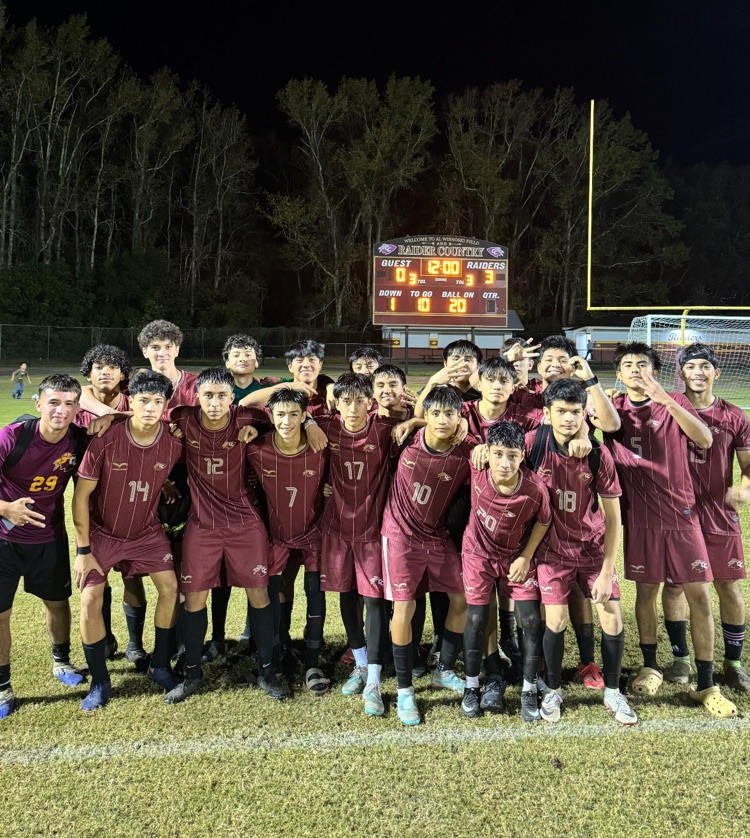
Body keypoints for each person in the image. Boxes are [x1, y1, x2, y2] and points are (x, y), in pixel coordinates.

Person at [604, 341, 736, 718]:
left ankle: (706, 682)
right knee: (645, 593)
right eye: (627, 364)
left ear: (655, 371)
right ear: (619, 372)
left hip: (682, 516)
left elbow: (705, 439)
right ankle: (650, 665)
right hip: (641, 519)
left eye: (642, 364)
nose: (634, 369)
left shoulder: (674, 402)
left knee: (699, 595)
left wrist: (667, 399)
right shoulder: (612, 409)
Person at [163, 367, 286, 704]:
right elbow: (148, 422)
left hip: (245, 524)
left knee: (259, 595)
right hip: (201, 525)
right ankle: (192, 673)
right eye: (208, 396)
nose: (215, 403)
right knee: (194, 599)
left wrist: (309, 423)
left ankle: (266, 670)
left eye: (222, 396)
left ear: (232, 398)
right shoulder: (183, 418)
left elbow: (288, 400)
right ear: (196, 397)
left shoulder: (247, 416)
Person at [71, 371, 183, 710]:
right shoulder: (105, 439)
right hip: (102, 534)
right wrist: (82, 550)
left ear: (166, 406)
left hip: (146, 532)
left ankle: (159, 665)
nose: (150, 408)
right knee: (90, 599)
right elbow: (80, 496)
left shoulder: (174, 443)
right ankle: (101, 682)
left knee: (170, 589)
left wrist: (165, 484)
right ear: (130, 401)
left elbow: (159, 474)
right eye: (143, 401)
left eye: (157, 402)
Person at [529, 379, 637, 725]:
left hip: (591, 549)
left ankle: (613, 692)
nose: (568, 419)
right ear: (546, 414)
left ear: (584, 414)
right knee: (556, 620)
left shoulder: (596, 453)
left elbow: (613, 517)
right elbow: (499, 450)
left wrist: (607, 570)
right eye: (560, 411)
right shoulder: (533, 444)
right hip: (551, 551)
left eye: (575, 412)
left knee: (612, 616)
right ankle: (554, 690)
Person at [381, 384, 475, 725]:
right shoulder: (405, 438)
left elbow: (491, 456)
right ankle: (405, 690)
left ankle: (444, 669)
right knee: (404, 607)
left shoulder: (467, 454)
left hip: (435, 536)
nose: (441, 420)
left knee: (461, 598)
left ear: (459, 418)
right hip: (400, 536)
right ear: (425, 415)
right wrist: (416, 422)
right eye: (434, 413)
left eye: (449, 414)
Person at [659, 343, 750, 693]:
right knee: (676, 585)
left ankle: (733, 662)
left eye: (704, 366)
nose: (697, 371)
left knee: (728, 585)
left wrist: (744, 487)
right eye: (690, 366)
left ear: (716, 373)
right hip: (677, 515)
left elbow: (748, 465)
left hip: (719, 515)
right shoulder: (666, 409)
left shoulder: (734, 416)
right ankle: (681, 659)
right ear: (680, 372)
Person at [316, 373, 405, 716]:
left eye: (359, 401)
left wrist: (411, 417)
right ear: (335, 403)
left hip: (372, 530)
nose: (352, 408)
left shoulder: (384, 431)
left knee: (374, 602)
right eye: (345, 401)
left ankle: (375, 679)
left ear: (371, 402)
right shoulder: (325, 428)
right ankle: (361, 663)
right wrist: (309, 421)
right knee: (347, 595)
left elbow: (428, 422)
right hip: (337, 527)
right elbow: (283, 417)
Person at [0, 374, 85, 719]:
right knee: (1, 615)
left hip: (48, 539)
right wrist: (6, 509)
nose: (60, 410)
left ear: (78, 409)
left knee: (58, 603)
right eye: (53, 402)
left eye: (68, 404)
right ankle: (2, 686)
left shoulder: (79, 442)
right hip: (3, 540)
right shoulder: (12, 436)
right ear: (38, 404)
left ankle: (61, 661)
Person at [461, 420, 551, 720]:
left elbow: (543, 521)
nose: (505, 462)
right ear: (488, 453)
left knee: (531, 620)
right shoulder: (477, 471)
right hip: (478, 555)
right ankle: (472, 686)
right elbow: (450, 430)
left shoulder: (534, 488)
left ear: (522, 455)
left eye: (512, 455)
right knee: (475, 618)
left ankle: (527, 689)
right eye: (498, 454)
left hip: (515, 558)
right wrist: (476, 446)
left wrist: (526, 557)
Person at [246, 388, 330, 695]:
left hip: (313, 532)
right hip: (276, 535)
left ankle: (312, 661)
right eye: (280, 414)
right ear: (270, 415)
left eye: (295, 414)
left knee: (315, 594)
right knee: (274, 594)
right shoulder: (256, 448)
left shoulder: (320, 444)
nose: (287, 420)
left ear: (306, 415)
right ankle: (279, 653)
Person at [75, 344, 145, 666]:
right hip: (91, 504)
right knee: (96, 573)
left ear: (123, 374)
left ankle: (135, 643)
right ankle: (105, 640)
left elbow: (153, 416)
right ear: (89, 373)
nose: (105, 371)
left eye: (113, 366)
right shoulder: (77, 407)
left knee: (133, 574)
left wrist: (116, 414)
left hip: (131, 501)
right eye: (98, 366)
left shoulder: (133, 399)